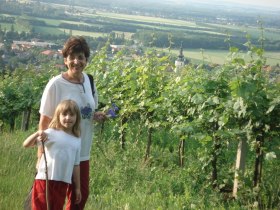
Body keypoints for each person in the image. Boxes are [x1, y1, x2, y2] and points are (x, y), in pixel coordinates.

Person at [38, 36, 107, 210]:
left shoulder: (89, 81)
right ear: (65, 60)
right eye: (72, 57)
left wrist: (96, 116)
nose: (77, 61)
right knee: (53, 199)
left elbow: (87, 112)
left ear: (86, 60)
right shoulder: (55, 84)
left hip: (82, 151)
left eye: (81, 57)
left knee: (79, 197)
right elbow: (44, 122)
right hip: (58, 152)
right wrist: (41, 156)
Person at [23, 99, 82, 210]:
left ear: (77, 117)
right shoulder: (51, 133)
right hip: (44, 180)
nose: (68, 118)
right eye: (64, 114)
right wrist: (38, 133)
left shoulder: (77, 139)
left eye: (72, 115)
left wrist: (77, 188)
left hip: (63, 182)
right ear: (58, 116)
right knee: (40, 207)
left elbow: (76, 165)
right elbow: (26, 144)